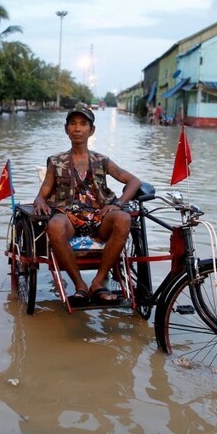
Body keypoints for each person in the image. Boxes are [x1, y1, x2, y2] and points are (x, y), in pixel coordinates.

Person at [33, 104, 142, 306]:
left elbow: (134, 181)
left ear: (91, 130)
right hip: (69, 216)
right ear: (66, 129)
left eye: (83, 124)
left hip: (99, 215)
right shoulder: (56, 161)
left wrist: (118, 204)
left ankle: (98, 282)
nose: (77, 128)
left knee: (124, 218)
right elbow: (45, 189)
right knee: (54, 225)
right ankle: (80, 285)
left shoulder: (102, 160)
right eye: (73, 124)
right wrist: (39, 199)